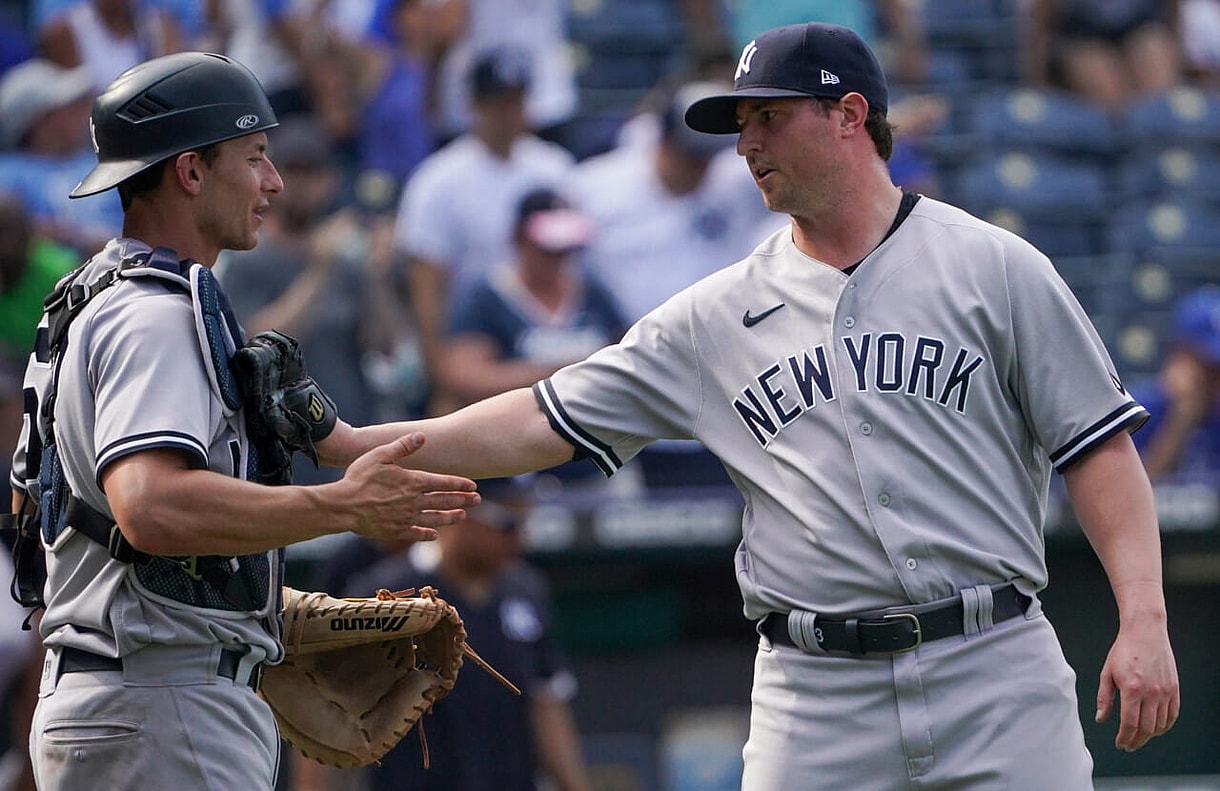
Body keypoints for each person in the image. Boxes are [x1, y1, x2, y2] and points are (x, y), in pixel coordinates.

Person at [326, 22, 1180, 787]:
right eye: (740, 123)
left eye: (769, 116)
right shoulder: (716, 314)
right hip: (817, 691)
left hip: (994, 664)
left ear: (850, 116)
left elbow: (1098, 448)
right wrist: (351, 441)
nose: (745, 143)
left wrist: (1144, 618)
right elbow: (540, 418)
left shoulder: (996, 267)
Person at [6, 51, 480, 790]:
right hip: (162, 701)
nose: (274, 182)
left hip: (130, 690)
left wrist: (258, 606)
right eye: (254, 156)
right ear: (191, 171)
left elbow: (50, 514)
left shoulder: (92, 292)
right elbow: (149, 506)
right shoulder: (155, 313)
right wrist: (340, 507)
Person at [301, 476, 591, 791]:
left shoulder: (526, 591)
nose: (520, 538)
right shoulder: (383, 597)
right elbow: (328, 714)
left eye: (525, 520)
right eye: (508, 523)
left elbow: (546, 704)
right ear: (459, 512)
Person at [215, 117, 402, 484]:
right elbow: (256, 344)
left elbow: (384, 345)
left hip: (347, 441)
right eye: (293, 171)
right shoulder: (247, 259)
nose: (301, 186)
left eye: (312, 173)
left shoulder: (350, 260)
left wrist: (376, 273)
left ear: (330, 180)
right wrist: (319, 270)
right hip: (278, 452)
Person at [393, 47, 575, 413]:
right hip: (469, 341)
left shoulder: (554, 168)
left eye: (517, 100)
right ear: (475, 104)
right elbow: (426, 286)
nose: (510, 112)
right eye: (499, 102)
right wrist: (442, 377)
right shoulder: (438, 179)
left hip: (540, 332)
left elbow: (572, 264)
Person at [439, 186, 635, 496]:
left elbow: (628, 356)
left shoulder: (592, 292)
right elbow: (464, 375)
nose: (558, 258)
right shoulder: (486, 297)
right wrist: (569, 373)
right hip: (514, 465)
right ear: (519, 240)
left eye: (566, 248)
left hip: (592, 461)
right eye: (548, 248)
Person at [0, 57, 123, 254]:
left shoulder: (107, 164)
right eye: (69, 107)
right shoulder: (8, 173)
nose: (81, 114)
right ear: (40, 121)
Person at [1022, 0, 1183, 113]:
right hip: (1083, 35)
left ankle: (1161, 140)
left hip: (1141, 26)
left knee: (1155, 59)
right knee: (1111, 97)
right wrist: (1036, 81)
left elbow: (1172, 14)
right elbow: (1041, 25)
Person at [1132, 285, 1220, 482]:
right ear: (1180, 355)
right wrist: (1181, 419)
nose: (1215, 379)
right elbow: (1126, 494)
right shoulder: (1140, 410)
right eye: (1209, 367)